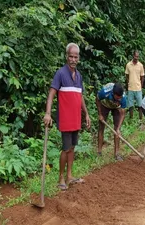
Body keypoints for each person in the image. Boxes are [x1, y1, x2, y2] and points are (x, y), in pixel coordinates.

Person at [43, 43, 91, 191]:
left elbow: (80, 95)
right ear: (66, 56)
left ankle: (70, 176)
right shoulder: (60, 73)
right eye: (71, 56)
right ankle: (61, 178)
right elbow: (51, 94)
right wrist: (48, 113)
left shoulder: (79, 76)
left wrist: (87, 113)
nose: (73, 59)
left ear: (79, 58)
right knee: (65, 148)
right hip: (65, 119)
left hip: (76, 118)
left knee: (72, 147)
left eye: (75, 57)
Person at [96, 83, 127, 161]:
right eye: (118, 98)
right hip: (104, 105)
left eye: (120, 98)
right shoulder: (105, 92)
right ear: (113, 94)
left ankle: (117, 154)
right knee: (101, 127)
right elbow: (97, 99)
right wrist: (100, 114)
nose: (119, 99)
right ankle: (99, 152)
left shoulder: (123, 98)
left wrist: (118, 129)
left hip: (116, 108)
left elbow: (123, 114)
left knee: (117, 130)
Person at [125, 50, 145, 120]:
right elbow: (127, 75)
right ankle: (131, 119)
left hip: (138, 88)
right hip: (130, 88)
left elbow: (142, 77)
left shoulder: (140, 65)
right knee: (130, 105)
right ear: (133, 56)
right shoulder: (128, 65)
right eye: (135, 56)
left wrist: (141, 86)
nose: (136, 58)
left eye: (138, 56)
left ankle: (140, 119)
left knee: (140, 105)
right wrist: (129, 83)